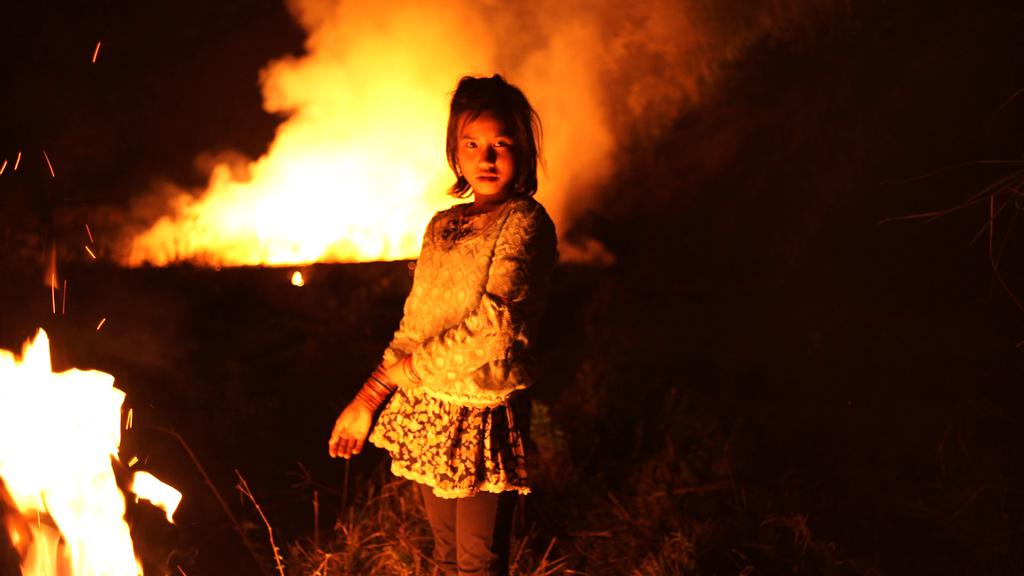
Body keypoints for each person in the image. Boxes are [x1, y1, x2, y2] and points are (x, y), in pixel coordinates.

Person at [327, 74, 558, 576]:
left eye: (501, 144)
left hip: (482, 413)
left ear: (523, 149)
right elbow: (415, 323)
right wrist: (367, 399)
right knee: (446, 556)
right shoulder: (441, 225)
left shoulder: (524, 222)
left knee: (478, 563)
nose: (486, 158)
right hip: (429, 411)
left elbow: (497, 326)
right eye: (472, 144)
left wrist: (410, 370)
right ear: (455, 152)